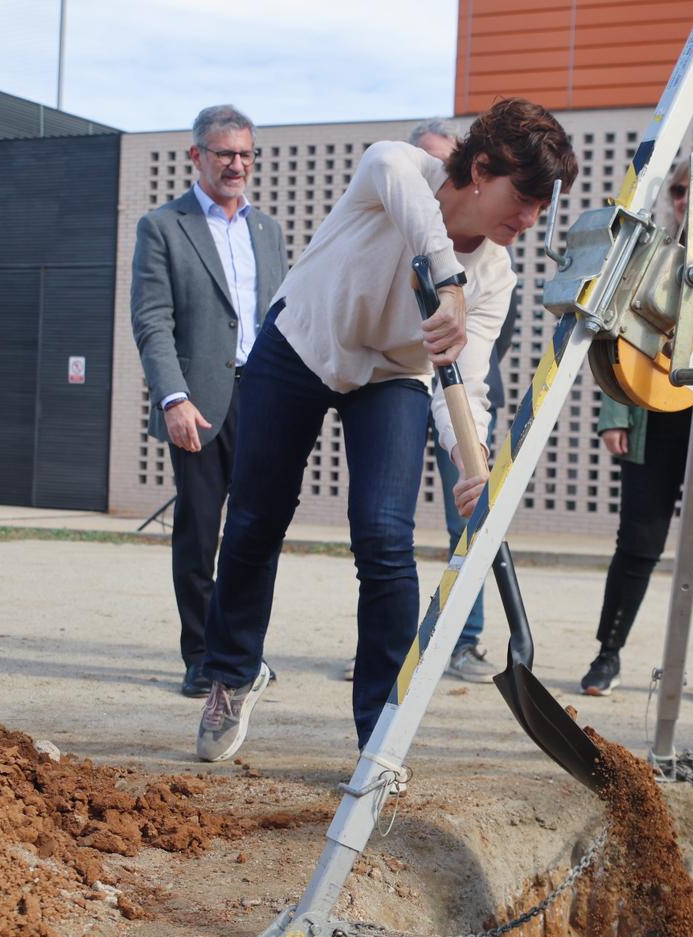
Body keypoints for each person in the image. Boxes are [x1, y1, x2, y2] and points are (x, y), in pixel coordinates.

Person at [192, 98, 578, 762]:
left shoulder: (498, 274)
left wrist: (470, 456)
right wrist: (446, 282)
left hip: (393, 376)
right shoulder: (397, 166)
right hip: (303, 344)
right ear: (481, 168)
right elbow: (401, 190)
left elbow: (469, 379)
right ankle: (232, 671)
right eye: (525, 195)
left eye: (543, 207)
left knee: (383, 537)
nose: (531, 217)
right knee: (256, 517)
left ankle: (380, 728)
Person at [131, 105, 288, 699]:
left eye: (246, 153)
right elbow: (152, 320)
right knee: (200, 536)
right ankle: (200, 655)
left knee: (257, 532)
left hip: (267, 399)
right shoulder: (162, 226)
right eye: (224, 153)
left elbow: (282, 315)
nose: (237, 164)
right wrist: (173, 397)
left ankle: (241, 650)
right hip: (198, 403)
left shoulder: (268, 231)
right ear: (195, 155)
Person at [580, 150, 693, 703]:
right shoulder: (655, 257)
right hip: (652, 412)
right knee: (638, 541)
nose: (688, 200)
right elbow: (618, 329)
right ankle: (608, 653)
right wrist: (615, 412)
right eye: (678, 192)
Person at [411, 117, 521, 686]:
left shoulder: (495, 267)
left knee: (470, 507)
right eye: (430, 165)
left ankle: (467, 639)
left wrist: (467, 439)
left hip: (464, 394)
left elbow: (481, 347)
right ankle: (396, 639)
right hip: (399, 389)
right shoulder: (401, 221)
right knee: (388, 522)